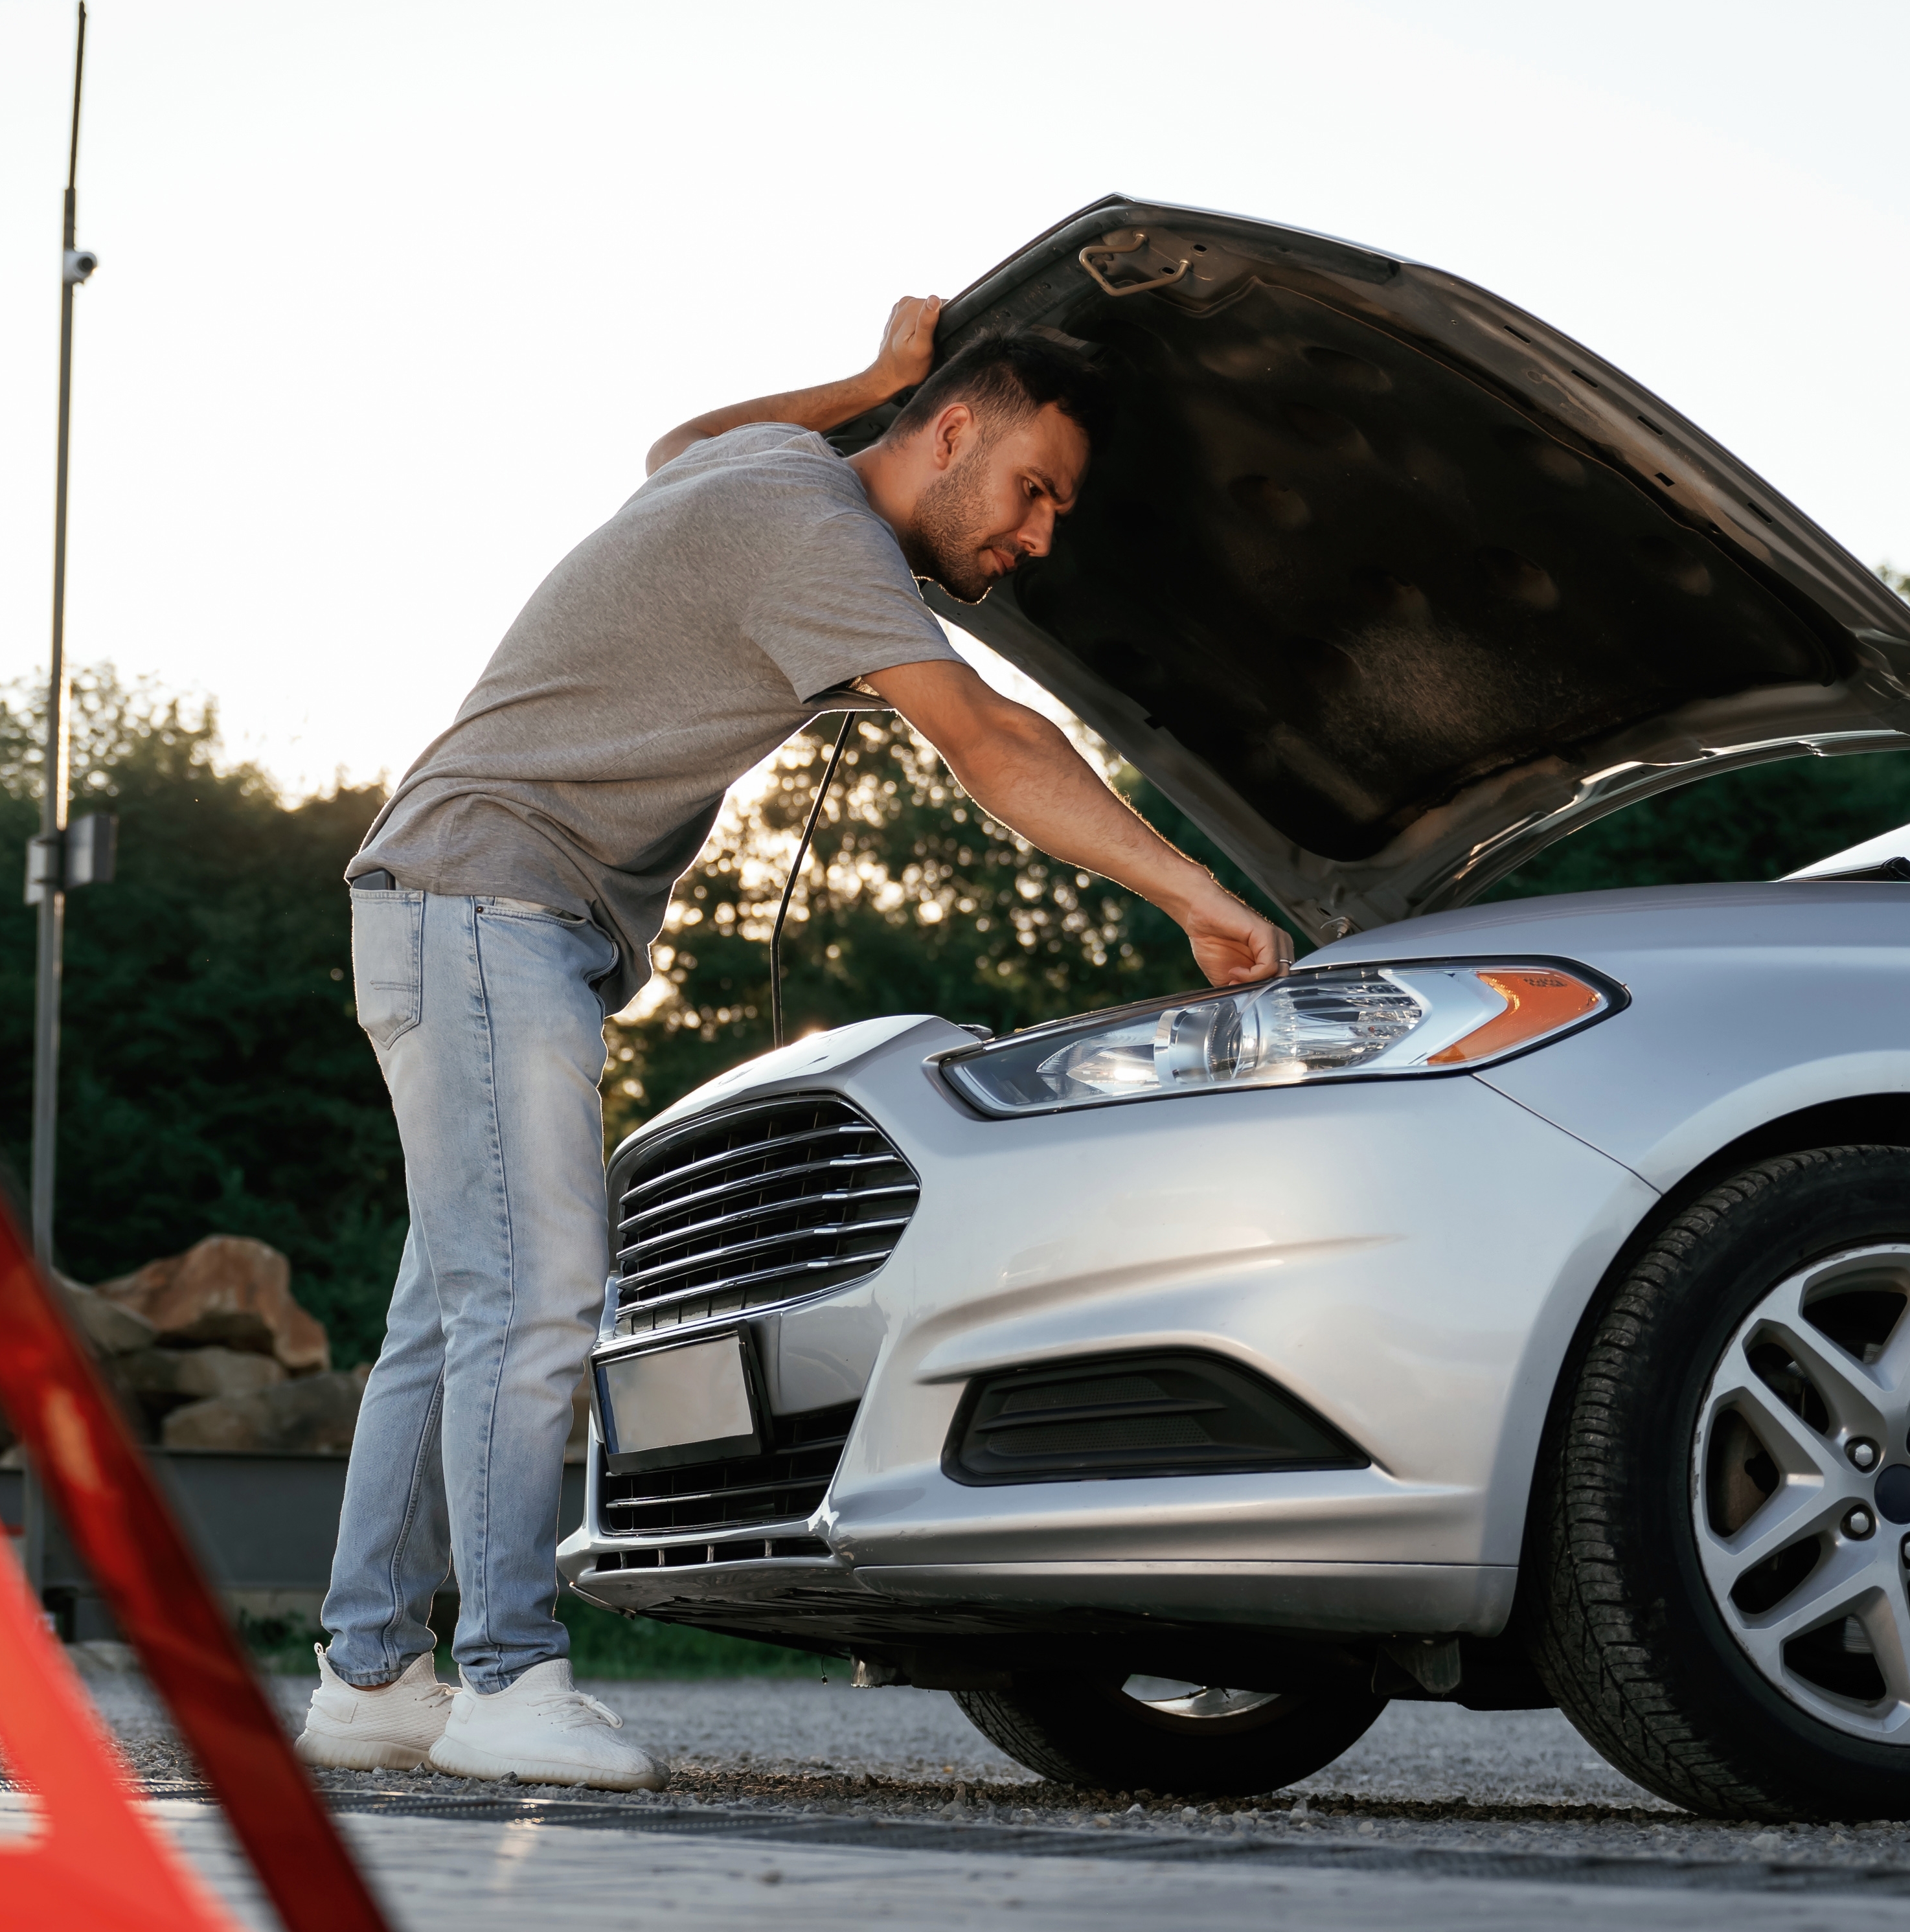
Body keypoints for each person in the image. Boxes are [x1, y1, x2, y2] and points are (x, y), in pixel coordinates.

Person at [301, 297, 1293, 1791]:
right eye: (1036, 489)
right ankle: (509, 1677)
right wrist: (1196, 895)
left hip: (459, 904)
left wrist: (871, 378)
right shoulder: (811, 524)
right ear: (953, 432)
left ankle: (371, 1673)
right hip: (491, 903)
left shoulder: (757, 467)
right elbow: (994, 741)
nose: (1038, 536)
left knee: (454, 1312)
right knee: (541, 1293)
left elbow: (669, 441)